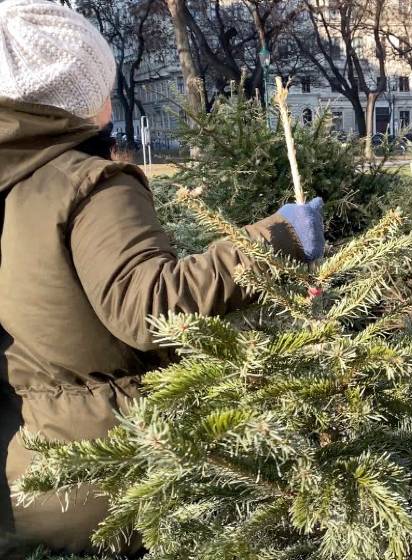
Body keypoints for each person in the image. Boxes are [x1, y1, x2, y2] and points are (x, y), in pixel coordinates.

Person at [0, 0, 325, 554]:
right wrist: (279, 238)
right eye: (100, 81)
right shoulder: (90, 184)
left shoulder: (12, 187)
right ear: (73, 98)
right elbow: (150, 305)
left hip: (32, 480)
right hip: (122, 479)